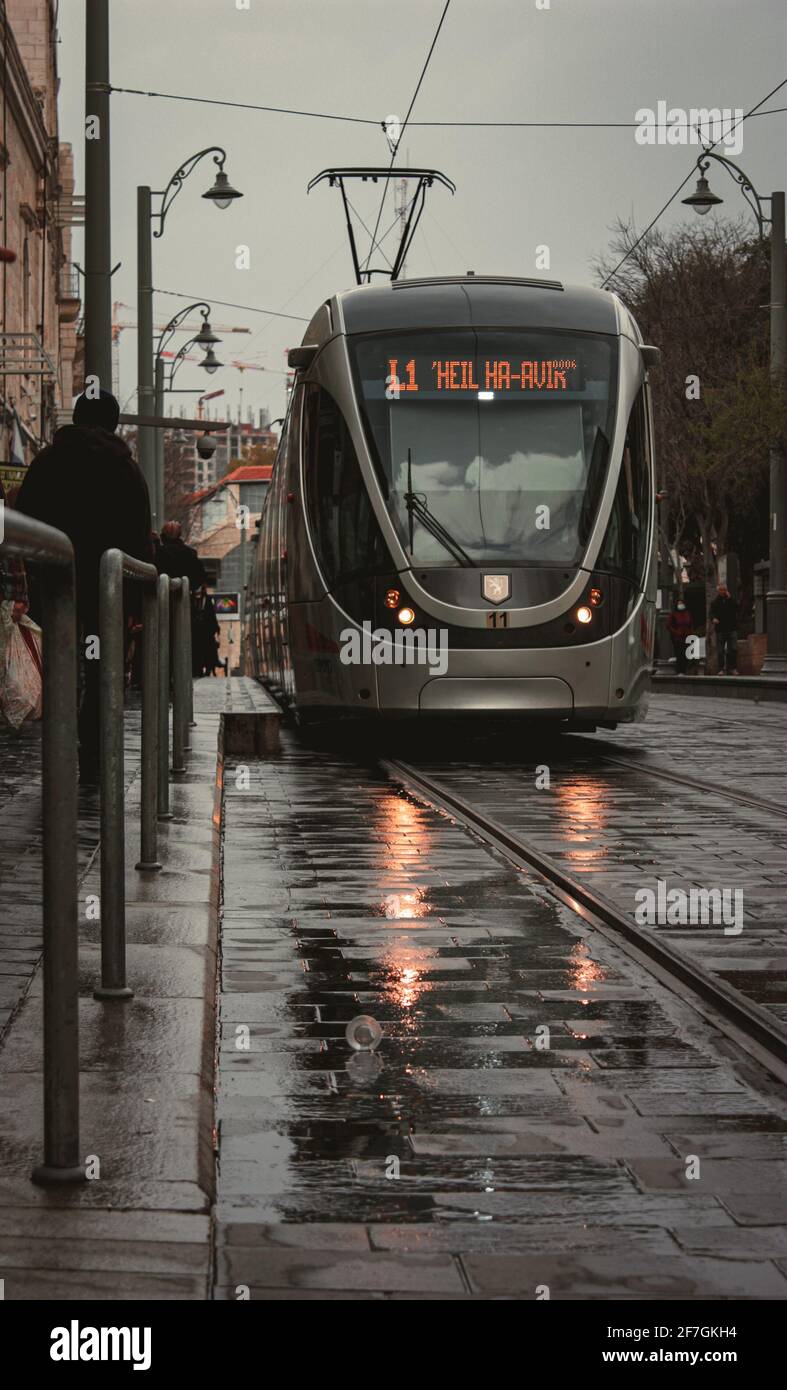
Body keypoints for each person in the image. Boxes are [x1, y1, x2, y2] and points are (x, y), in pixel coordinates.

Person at [16, 389, 153, 779]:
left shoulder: (48, 461)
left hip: (55, 580)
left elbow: (24, 518)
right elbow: (139, 537)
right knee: (99, 667)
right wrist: (139, 601)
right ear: (114, 423)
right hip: (104, 589)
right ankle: (93, 750)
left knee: (59, 662)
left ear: (75, 417)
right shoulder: (125, 468)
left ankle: (60, 741)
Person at [156, 522, 207, 676]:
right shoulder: (190, 553)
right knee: (183, 638)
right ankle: (184, 673)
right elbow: (199, 577)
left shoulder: (159, 552)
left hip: (160, 604)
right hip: (184, 603)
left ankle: (164, 673)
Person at [709, 583, 738, 675]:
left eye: (724, 589)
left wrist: (730, 599)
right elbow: (711, 613)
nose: (723, 591)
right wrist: (713, 618)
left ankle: (733, 668)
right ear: (718, 591)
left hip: (731, 627)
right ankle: (721, 669)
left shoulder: (731, 600)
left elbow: (736, 608)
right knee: (720, 651)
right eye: (721, 590)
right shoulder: (715, 602)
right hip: (720, 629)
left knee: (733, 649)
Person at [667, 597, 693, 674]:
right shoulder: (674, 614)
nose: (680, 605)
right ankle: (679, 670)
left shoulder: (688, 613)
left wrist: (691, 633)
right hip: (677, 638)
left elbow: (691, 624)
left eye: (681, 603)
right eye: (679, 603)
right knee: (679, 654)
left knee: (686, 655)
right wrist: (676, 632)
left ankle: (684, 670)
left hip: (687, 637)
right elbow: (668, 625)